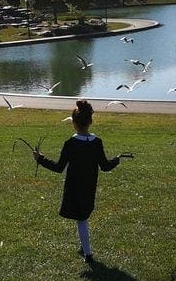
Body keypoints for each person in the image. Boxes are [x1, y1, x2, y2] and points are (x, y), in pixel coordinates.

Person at [35, 99, 123, 264]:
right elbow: (105, 166)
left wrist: (40, 159)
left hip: (74, 187)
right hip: (89, 186)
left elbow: (58, 167)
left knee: (81, 219)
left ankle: (88, 254)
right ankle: (84, 246)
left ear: (74, 123)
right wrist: (116, 160)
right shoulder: (97, 143)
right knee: (83, 216)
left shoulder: (71, 143)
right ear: (90, 121)